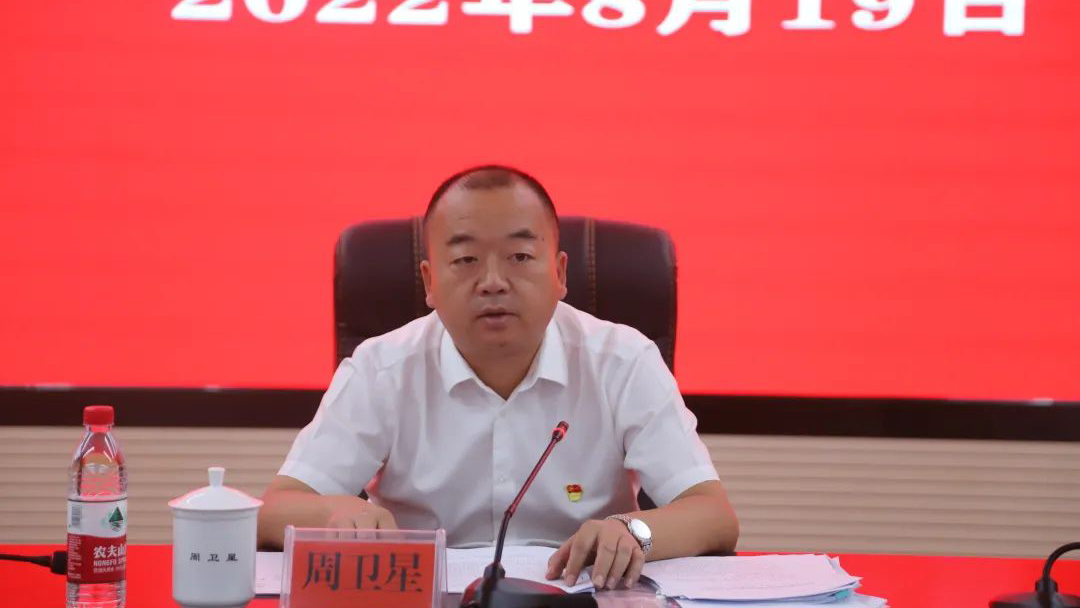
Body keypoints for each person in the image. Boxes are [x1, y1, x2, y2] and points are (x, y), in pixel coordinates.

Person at [258, 165, 739, 590]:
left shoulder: (622, 360)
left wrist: (635, 532)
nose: (492, 281)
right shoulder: (381, 369)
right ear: (429, 281)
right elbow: (277, 510)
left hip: (579, 595)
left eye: (520, 257)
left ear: (560, 272)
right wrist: (336, 512)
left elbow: (712, 515)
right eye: (465, 260)